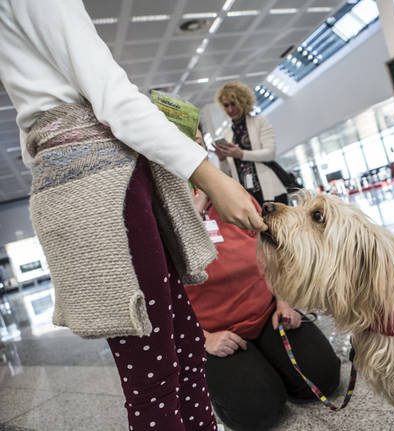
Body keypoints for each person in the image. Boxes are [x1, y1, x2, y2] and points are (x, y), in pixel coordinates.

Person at [0, 1, 265, 430]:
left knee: (181, 352)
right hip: (107, 187)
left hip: (88, 181)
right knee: (157, 378)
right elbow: (114, 100)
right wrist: (212, 178)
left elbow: (32, 116)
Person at [186, 181, 341, 431]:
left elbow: (272, 252)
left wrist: (284, 303)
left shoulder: (234, 197)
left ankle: (269, 364)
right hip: (216, 335)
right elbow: (158, 297)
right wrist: (203, 340)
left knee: (325, 378)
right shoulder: (163, 212)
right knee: (257, 413)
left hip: (268, 313)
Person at [213, 81, 289, 206]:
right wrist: (222, 159)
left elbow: (270, 154)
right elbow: (228, 175)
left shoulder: (260, 121)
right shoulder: (227, 135)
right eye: (226, 105)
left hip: (271, 191)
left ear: (243, 102)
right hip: (247, 198)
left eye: (233, 104)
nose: (230, 109)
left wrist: (241, 154)